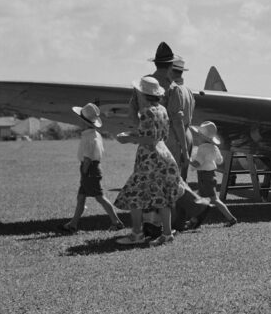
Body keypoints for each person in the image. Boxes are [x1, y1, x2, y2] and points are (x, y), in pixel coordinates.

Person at [130, 42, 201, 230]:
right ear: (174, 67)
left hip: (159, 136)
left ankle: (158, 223)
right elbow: (181, 120)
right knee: (175, 179)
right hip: (182, 135)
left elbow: (132, 109)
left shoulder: (143, 84)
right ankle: (186, 214)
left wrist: (141, 129)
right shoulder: (184, 90)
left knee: (157, 181)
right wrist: (185, 150)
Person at [115, 77, 191, 245]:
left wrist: (128, 139)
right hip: (164, 154)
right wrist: (135, 136)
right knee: (162, 196)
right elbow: (160, 136)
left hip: (150, 159)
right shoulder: (162, 109)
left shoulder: (145, 112)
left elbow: (149, 140)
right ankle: (167, 234)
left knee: (133, 195)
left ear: (142, 93)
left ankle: (137, 234)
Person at [59, 103, 125, 234]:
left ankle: (116, 222)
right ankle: (73, 224)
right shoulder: (94, 134)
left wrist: (84, 171)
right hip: (91, 168)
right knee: (81, 197)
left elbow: (88, 157)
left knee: (99, 197)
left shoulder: (89, 137)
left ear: (84, 122)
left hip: (89, 169)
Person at [189, 121, 237, 227]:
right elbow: (220, 161)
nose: (197, 137)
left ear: (202, 137)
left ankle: (231, 218)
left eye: (199, 135)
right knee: (201, 198)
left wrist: (188, 159)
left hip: (204, 176)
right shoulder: (214, 148)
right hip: (211, 175)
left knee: (213, 199)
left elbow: (197, 163)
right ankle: (194, 220)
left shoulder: (202, 148)